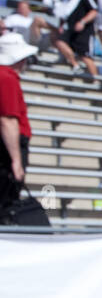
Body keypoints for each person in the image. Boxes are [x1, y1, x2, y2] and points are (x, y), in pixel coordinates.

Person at [0, 32, 36, 211]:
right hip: (6, 148)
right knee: (7, 201)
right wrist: (16, 160)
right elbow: (7, 120)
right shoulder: (6, 78)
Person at [52, 0, 98, 79]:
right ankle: (75, 64)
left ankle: (96, 79)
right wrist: (61, 26)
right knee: (59, 41)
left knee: (85, 56)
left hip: (84, 31)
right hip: (71, 30)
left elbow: (94, 11)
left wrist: (83, 22)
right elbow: (63, 15)